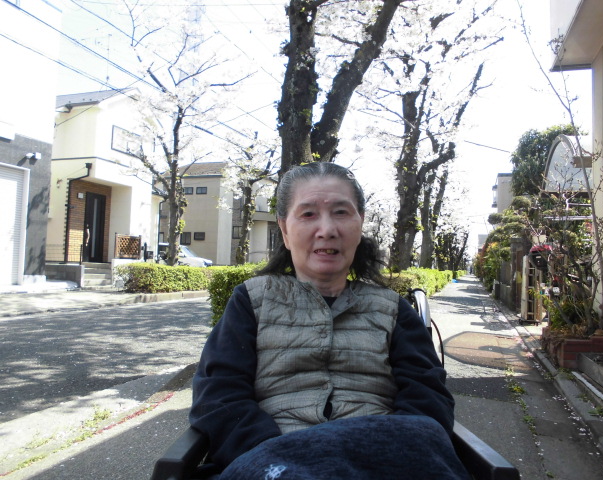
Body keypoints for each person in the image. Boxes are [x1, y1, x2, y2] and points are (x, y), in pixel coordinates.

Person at [189, 162, 466, 479]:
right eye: (308, 214)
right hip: (275, 462)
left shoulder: (393, 309)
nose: (327, 230)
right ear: (284, 230)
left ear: (360, 224)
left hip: (382, 459)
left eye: (341, 212)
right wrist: (278, 458)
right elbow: (220, 396)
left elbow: (428, 398)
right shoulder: (251, 302)